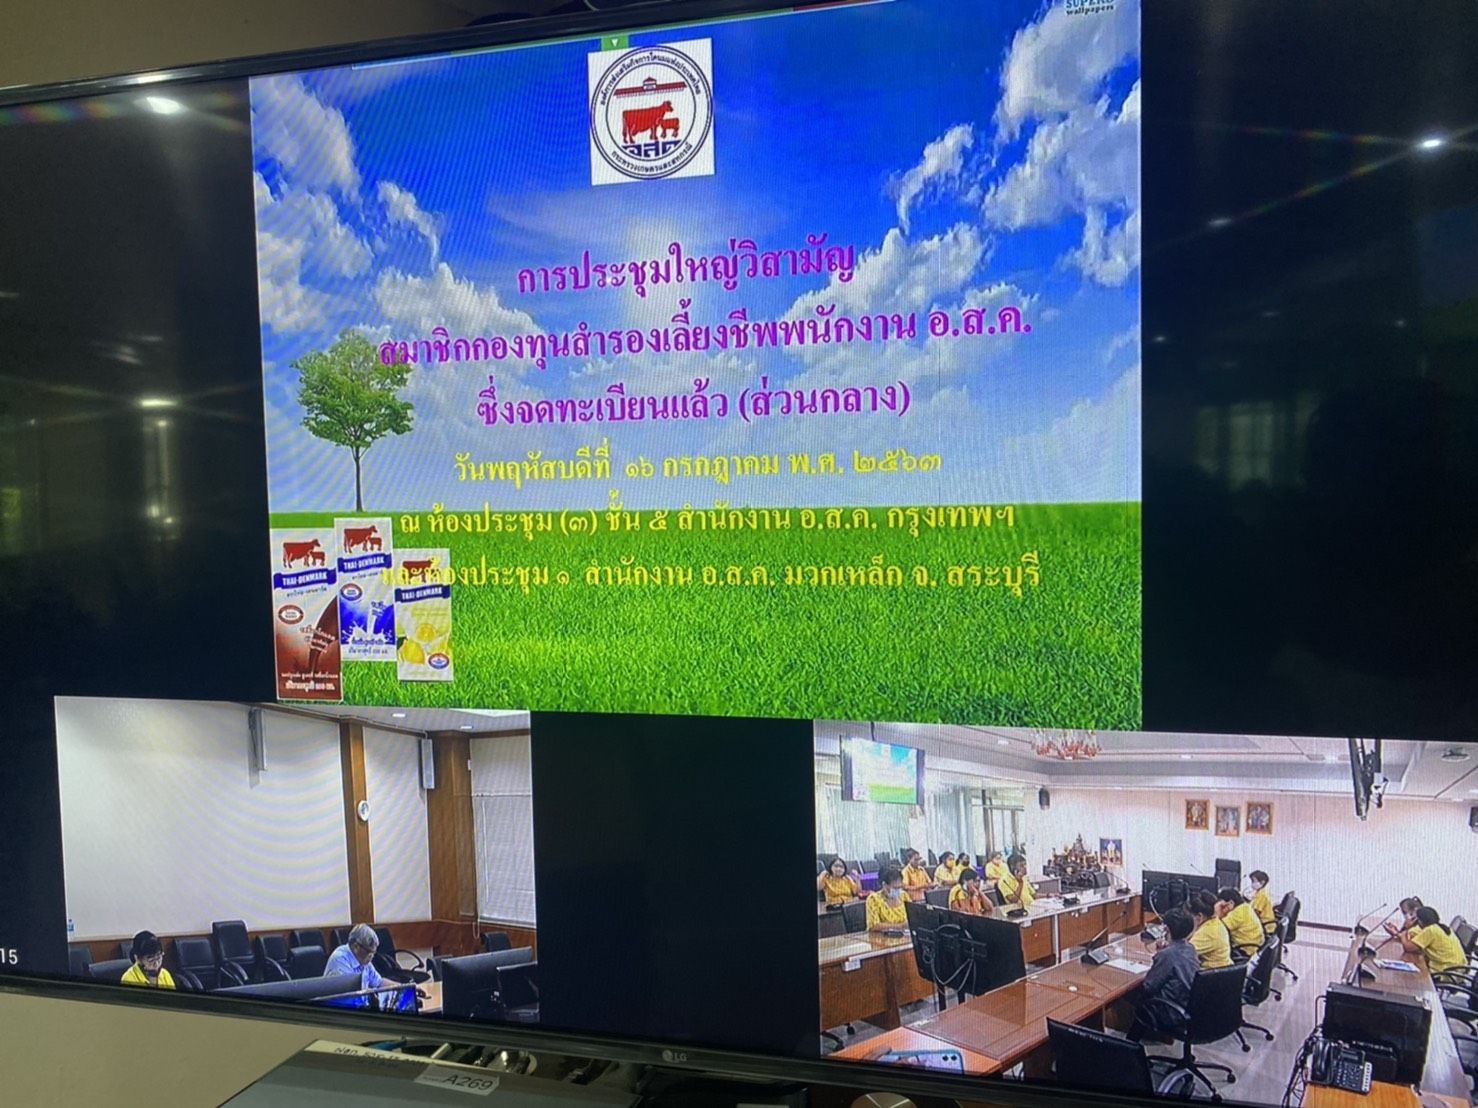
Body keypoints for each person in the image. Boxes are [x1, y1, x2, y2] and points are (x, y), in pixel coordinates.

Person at [1129, 908, 1198, 1041]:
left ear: (1166, 929)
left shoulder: (1167, 955)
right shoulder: (1191, 948)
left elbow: (1149, 987)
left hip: (1171, 1012)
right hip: (1189, 1006)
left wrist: (1161, 955)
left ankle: (1130, 1043)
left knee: (1133, 995)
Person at [324, 923, 385, 1007]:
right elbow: (350, 995)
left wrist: (401, 988)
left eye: (374, 952)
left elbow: (379, 982)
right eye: (369, 952)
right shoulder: (339, 959)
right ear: (356, 946)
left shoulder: (364, 959)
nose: (372, 956)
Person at [1400, 906, 1468, 976]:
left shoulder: (1431, 930)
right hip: (1458, 970)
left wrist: (1406, 929)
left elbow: (1408, 948)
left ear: (1420, 921)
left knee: (1412, 976)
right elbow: (1416, 947)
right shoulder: (1441, 927)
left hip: (1447, 973)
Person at [1216, 887, 1265, 958]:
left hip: (1245, 949)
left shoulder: (1237, 913)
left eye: (1222, 906)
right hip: (1255, 945)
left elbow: (1218, 929)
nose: (1222, 908)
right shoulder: (1245, 907)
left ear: (1231, 903)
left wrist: (1217, 912)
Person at [1188, 891, 1232, 969]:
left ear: (1199, 916)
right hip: (1223, 969)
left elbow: (1182, 954)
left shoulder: (1207, 932)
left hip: (1211, 973)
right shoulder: (1214, 922)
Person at [866, 867, 910, 932]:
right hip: (882, 936)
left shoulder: (904, 895)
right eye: (895, 888)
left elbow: (913, 916)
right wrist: (900, 926)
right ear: (884, 885)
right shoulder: (873, 899)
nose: (898, 891)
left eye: (900, 887)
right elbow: (874, 925)